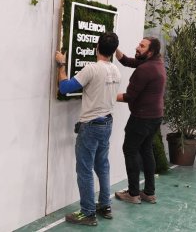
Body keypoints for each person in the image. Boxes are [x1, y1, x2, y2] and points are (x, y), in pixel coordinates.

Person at [56, 32, 121, 226]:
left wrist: (60, 64)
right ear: (113, 50)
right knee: (102, 165)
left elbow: (65, 87)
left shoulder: (92, 69)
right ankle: (105, 205)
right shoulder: (116, 70)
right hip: (107, 123)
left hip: (91, 125)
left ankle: (88, 213)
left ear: (97, 47)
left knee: (84, 170)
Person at [114, 37, 166, 205]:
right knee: (146, 150)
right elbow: (129, 61)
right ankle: (149, 193)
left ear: (149, 52)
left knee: (130, 150)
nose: (137, 47)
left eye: (141, 46)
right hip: (155, 116)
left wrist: (106, 94)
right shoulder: (156, 62)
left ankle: (133, 193)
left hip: (142, 118)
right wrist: (116, 50)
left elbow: (129, 97)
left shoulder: (145, 70)